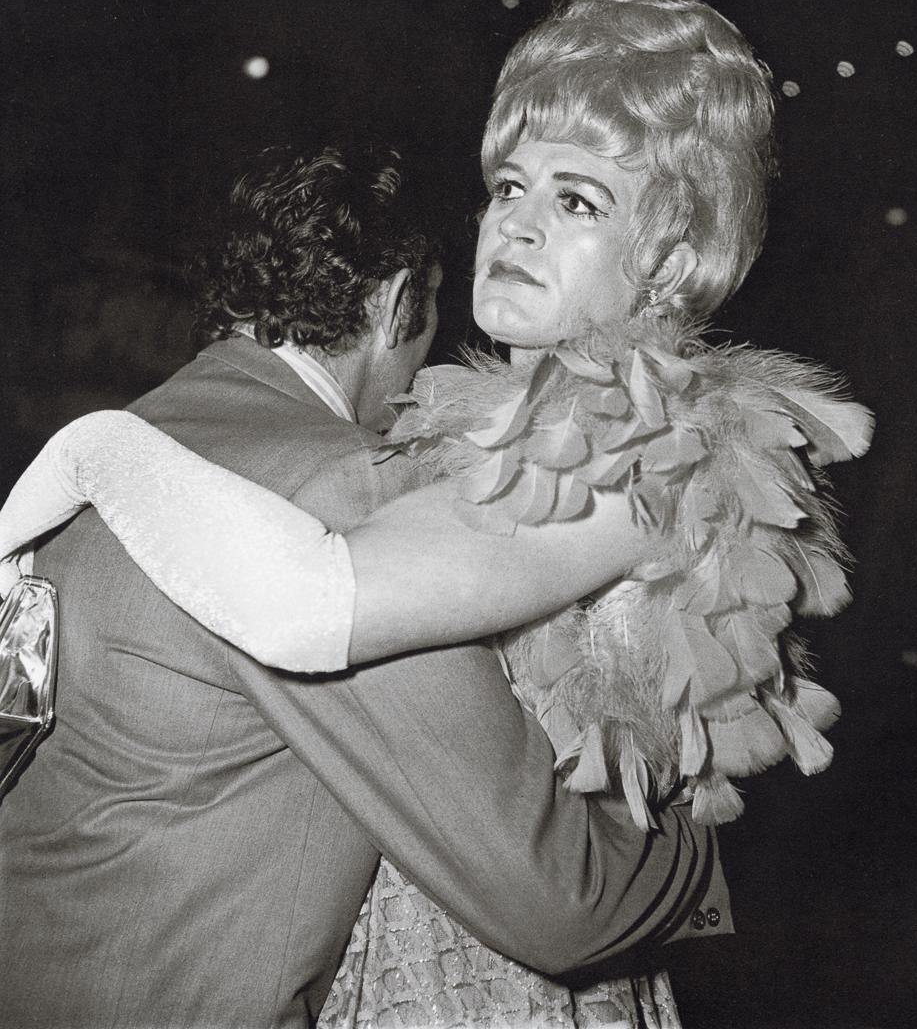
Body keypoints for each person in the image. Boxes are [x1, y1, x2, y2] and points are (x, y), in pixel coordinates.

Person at [0, 137, 730, 1029]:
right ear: (393, 307)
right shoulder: (346, 487)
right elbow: (557, 900)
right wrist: (700, 844)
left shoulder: (133, 447)